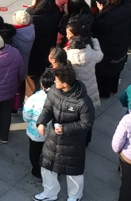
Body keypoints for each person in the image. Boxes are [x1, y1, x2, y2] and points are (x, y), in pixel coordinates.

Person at [35, 67, 94, 201]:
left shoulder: (83, 102)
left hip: (73, 143)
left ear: (65, 84)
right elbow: (48, 108)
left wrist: (65, 129)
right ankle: (49, 193)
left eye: (57, 80)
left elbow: (86, 124)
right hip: (53, 139)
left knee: (73, 171)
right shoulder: (54, 90)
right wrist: (42, 122)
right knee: (47, 166)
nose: (54, 82)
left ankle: (75, 196)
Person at [22, 70, 54, 181]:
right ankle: (51, 172)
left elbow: (26, 116)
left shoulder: (33, 99)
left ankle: (37, 172)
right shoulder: (59, 98)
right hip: (53, 134)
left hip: (35, 133)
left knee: (35, 152)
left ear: (41, 84)